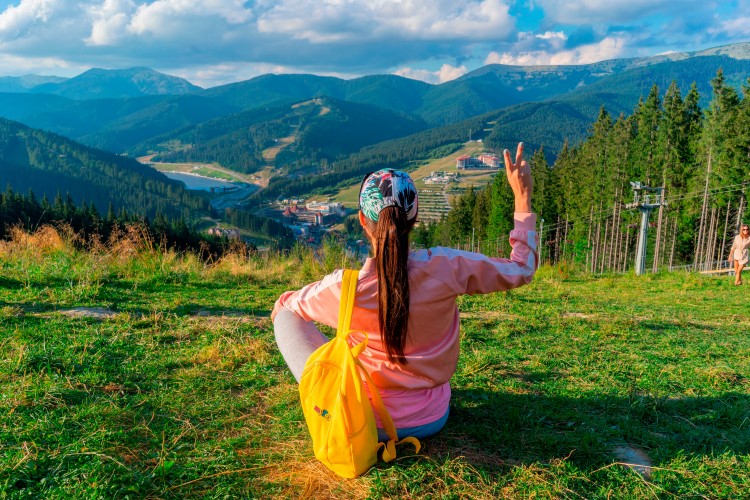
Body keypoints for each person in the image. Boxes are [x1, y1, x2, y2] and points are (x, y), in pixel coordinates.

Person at [271, 143, 538, 441]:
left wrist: (295, 308)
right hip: (431, 420)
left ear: (362, 220)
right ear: (415, 216)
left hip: (363, 421)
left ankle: (327, 402)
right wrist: (522, 198)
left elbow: (287, 306)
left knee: (286, 317)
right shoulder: (447, 267)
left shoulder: (345, 287)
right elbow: (521, 269)